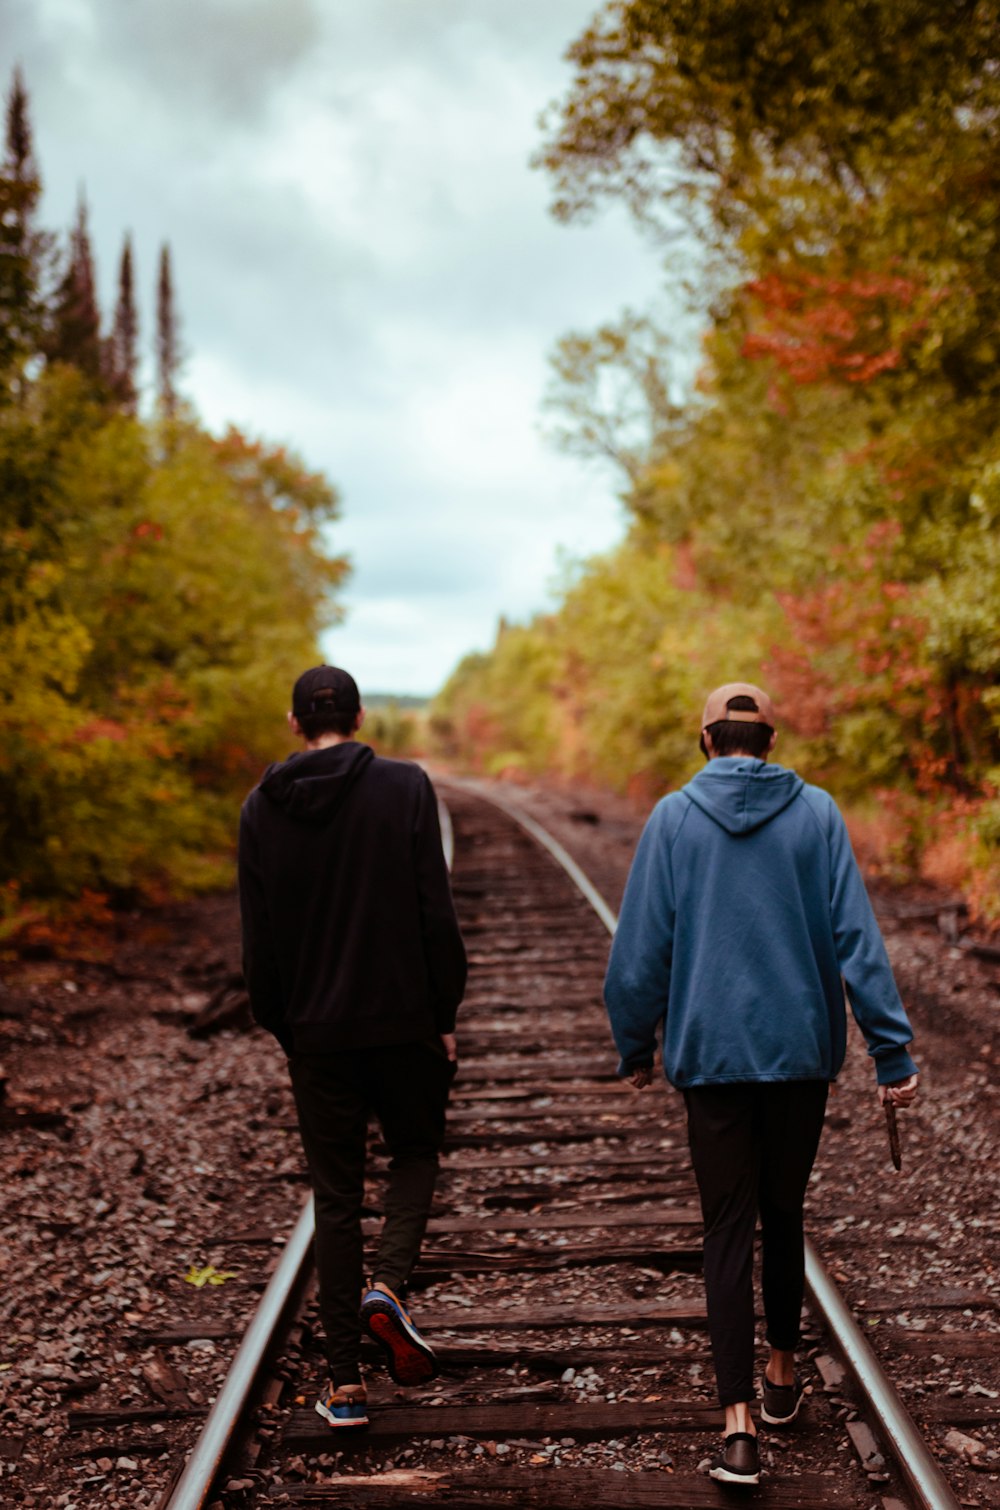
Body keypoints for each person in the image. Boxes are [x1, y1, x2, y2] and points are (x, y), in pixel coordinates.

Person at [604, 682, 918, 1486]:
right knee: (785, 1214)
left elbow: (640, 950)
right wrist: (891, 1053)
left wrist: (634, 1045)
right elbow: (857, 937)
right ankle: (781, 1374)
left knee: (726, 1229)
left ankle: (737, 1426)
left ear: (706, 740)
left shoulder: (674, 818)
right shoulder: (817, 814)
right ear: (769, 741)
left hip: (711, 1057)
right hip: (798, 1053)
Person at [238, 665, 467, 1429]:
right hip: (404, 1022)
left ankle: (344, 1386)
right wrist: (444, 1011)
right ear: (362, 718)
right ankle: (388, 1286)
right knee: (416, 1153)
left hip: (320, 1037)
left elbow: (259, 947)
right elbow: (436, 913)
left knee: (334, 1201)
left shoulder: (260, 811)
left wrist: (289, 1027)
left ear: (295, 723)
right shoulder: (406, 788)